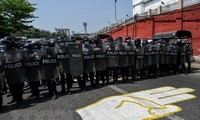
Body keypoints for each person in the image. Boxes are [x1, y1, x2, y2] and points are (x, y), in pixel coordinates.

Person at [1, 36, 26, 103]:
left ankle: (19, 98)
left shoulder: (17, 50)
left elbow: (21, 58)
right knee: (11, 86)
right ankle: (14, 98)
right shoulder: (3, 52)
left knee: (18, 85)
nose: (4, 45)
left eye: (6, 43)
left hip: (17, 71)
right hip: (9, 71)